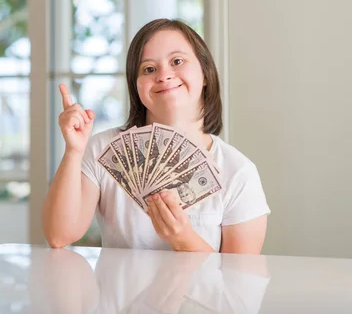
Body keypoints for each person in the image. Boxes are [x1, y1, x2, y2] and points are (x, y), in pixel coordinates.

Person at [42, 18, 271, 254]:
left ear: (205, 74)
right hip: (119, 292)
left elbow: (237, 283)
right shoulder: (104, 149)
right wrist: (73, 151)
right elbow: (59, 236)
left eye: (177, 61)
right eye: (149, 69)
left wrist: (183, 238)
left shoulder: (238, 172)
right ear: (137, 86)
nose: (163, 75)